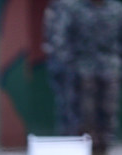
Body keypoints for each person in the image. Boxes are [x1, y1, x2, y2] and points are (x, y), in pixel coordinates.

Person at [58, 0, 122, 155]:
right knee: (85, 113)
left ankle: (103, 151)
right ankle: (86, 152)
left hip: (110, 68)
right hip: (83, 70)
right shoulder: (76, 10)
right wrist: (70, 64)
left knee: (109, 111)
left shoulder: (117, 9)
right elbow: (63, 38)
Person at [42, 0, 77, 136]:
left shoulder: (75, 8)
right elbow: (50, 38)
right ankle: (67, 136)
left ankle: (74, 136)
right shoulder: (53, 9)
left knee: (72, 103)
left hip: (75, 64)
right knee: (64, 102)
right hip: (59, 64)